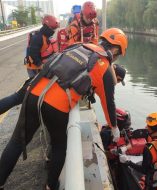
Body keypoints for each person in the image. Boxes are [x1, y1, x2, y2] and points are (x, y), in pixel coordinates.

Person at [0, 27, 128, 190]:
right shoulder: (105, 67)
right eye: (118, 54)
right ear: (115, 49)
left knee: (17, 142)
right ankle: (50, 185)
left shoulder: (79, 46)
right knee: (60, 146)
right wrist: (114, 127)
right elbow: (108, 103)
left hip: (34, 93)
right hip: (57, 107)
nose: (116, 59)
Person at [119, 112, 157, 190]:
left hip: (155, 185)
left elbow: (144, 170)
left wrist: (127, 161)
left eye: (148, 126)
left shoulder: (150, 148)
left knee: (130, 168)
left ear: (152, 129)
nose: (146, 127)